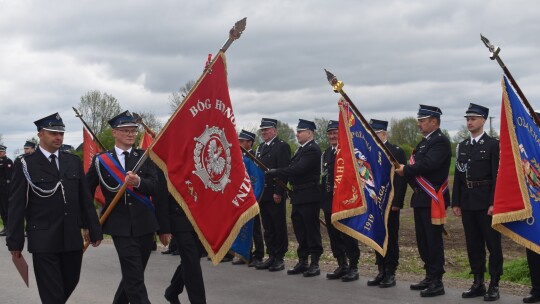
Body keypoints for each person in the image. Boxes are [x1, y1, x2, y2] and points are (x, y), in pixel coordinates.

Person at [7, 113, 102, 303]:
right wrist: (15, 242)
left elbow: (85, 199)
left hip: (70, 237)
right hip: (43, 238)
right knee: (52, 293)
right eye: (53, 133)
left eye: (61, 133)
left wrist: (94, 229)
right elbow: (16, 206)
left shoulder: (72, 162)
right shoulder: (26, 164)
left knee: (70, 281)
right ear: (40, 134)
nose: (58, 137)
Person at [86, 110, 168, 304]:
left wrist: (139, 182)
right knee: (134, 275)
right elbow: (85, 194)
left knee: (134, 275)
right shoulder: (101, 161)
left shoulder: (145, 157)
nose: (131, 134)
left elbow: (158, 189)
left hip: (145, 225)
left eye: (133, 130)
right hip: (120, 226)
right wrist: (88, 225)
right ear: (114, 133)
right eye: (125, 130)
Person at [396, 105, 451, 297]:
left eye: (422, 120)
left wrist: (406, 170)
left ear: (434, 122)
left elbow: (429, 164)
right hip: (420, 197)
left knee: (433, 241)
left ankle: (437, 281)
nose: (419, 124)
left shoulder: (440, 141)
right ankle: (429, 275)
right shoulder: (422, 143)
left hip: (433, 198)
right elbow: (417, 164)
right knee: (422, 240)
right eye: (419, 120)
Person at [452, 103, 502, 301]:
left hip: (486, 203)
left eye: (473, 119)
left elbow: (498, 176)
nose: (469, 122)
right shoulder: (462, 146)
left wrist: (493, 203)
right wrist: (456, 202)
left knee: (493, 245)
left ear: (483, 120)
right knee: (473, 245)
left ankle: (494, 283)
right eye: (467, 119)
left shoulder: (492, 145)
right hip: (468, 201)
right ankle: (478, 282)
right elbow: (458, 175)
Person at [268, 119, 323, 277]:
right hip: (298, 195)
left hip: (309, 195)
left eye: (300, 131)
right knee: (300, 229)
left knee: (311, 230)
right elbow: (293, 167)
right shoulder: (301, 150)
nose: (297, 134)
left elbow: (299, 169)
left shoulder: (313, 149)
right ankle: (303, 260)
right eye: (297, 131)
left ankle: (314, 263)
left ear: (310, 133)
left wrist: (277, 172)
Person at [367, 119, 407, 288]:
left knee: (390, 237)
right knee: (377, 235)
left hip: (390, 202)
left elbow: (400, 180)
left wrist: (397, 202)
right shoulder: (369, 152)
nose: (373, 137)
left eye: (375, 133)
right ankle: (381, 269)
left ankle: (390, 271)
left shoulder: (395, 151)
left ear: (383, 133)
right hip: (375, 202)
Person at [155, 170, 206, 304]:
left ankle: (172, 291)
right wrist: (164, 228)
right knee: (191, 261)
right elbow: (160, 196)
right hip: (177, 217)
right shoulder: (164, 158)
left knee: (194, 257)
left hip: (198, 215)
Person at [320, 120, 360, 282]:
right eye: (329, 133)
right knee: (334, 235)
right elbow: (323, 178)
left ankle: (353, 266)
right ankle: (342, 264)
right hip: (329, 200)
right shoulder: (326, 153)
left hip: (345, 201)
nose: (332, 136)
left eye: (335, 133)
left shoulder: (349, 152)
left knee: (348, 234)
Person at [255, 118, 291, 272]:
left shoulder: (281, 146)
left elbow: (284, 170)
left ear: (274, 131)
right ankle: (271, 255)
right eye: (262, 130)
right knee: (268, 226)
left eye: (267, 130)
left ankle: (279, 257)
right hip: (263, 193)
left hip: (275, 192)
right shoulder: (261, 147)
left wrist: (279, 192)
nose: (264, 133)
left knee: (278, 225)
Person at [232, 129, 265, 267]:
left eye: (241, 141)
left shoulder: (253, 158)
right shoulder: (240, 158)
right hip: (241, 197)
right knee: (242, 225)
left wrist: (254, 198)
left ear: (249, 143)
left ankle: (258, 255)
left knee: (255, 228)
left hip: (251, 198)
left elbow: (257, 179)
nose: (238, 143)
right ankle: (246, 253)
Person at [0, 144, 13, 236]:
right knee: (2, 210)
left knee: (6, 208)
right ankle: (5, 226)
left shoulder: (8, 162)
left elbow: (9, 177)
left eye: (1, 152)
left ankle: (9, 227)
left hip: (5, 190)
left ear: (4, 152)